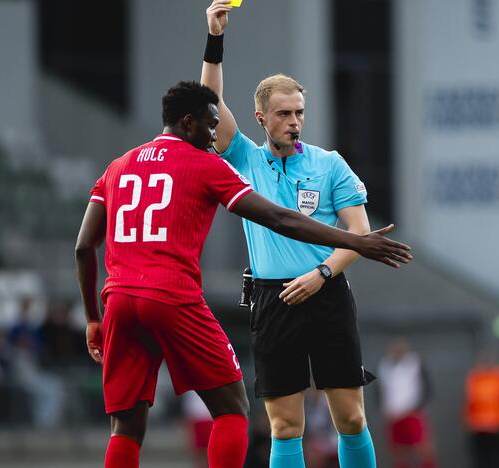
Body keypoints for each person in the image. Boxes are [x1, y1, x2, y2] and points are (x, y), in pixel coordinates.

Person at [75, 81, 411, 468]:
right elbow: (280, 218)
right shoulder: (213, 163)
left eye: (299, 112)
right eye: (209, 125)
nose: (215, 134)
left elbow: (84, 248)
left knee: (126, 428)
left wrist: (91, 320)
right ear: (190, 123)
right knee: (241, 409)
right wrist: (357, 243)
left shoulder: (118, 166)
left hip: (118, 299)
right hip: (191, 295)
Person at [200, 3, 384, 467]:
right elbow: (207, 107)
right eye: (283, 114)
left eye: (299, 112)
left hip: (327, 292)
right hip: (272, 298)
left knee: (351, 419)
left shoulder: (328, 163)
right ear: (261, 118)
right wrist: (215, 41)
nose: (294, 122)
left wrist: (321, 274)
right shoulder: (243, 158)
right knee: (285, 426)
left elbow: (358, 233)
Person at [377, 338, 438, 468]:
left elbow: (428, 388)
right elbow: (380, 392)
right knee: (398, 451)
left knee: (422, 448)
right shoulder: (384, 367)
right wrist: (384, 410)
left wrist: (416, 408)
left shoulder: (416, 363)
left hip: (412, 414)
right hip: (393, 416)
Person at [463, 349, 499, 468]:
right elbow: (469, 401)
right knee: (482, 459)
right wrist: (469, 421)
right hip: (479, 426)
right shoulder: (475, 378)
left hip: (498, 425)